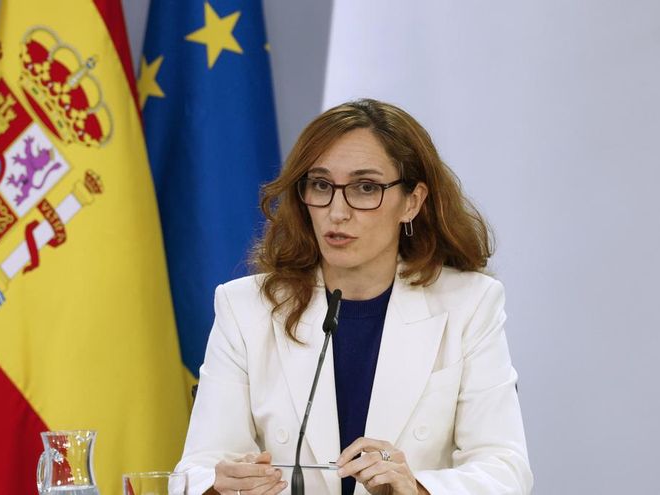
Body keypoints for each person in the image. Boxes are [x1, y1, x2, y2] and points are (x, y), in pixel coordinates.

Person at [173, 99, 533, 495]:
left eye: (366, 188)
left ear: (411, 202)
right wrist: (219, 487)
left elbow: (504, 470)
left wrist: (415, 488)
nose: (337, 212)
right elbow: (197, 468)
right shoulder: (246, 306)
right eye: (322, 185)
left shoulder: (469, 303)